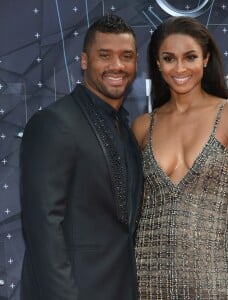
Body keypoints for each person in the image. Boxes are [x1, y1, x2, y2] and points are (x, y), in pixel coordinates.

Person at [132, 16, 228, 300]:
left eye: (189, 57)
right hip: (147, 277)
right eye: (169, 58)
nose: (180, 68)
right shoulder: (143, 126)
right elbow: (135, 209)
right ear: (157, 63)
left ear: (205, 59)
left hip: (214, 278)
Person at [20, 14, 143, 300]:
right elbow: (43, 228)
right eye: (105, 55)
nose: (117, 66)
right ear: (85, 61)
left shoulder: (125, 129)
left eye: (126, 56)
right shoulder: (54, 123)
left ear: (136, 63)